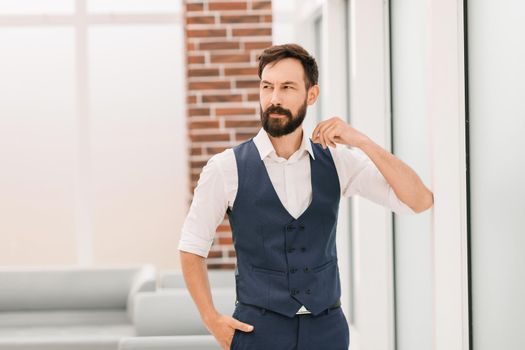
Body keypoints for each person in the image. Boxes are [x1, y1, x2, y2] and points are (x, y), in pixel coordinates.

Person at [178, 43, 433, 350]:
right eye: (267, 86)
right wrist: (212, 320)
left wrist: (362, 142)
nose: (274, 98)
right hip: (256, 331)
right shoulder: (225, 168)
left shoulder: (337, 161)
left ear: (311, 95)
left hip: (327, 331)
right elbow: (192, 247)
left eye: (287, 87)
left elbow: (418, 200)